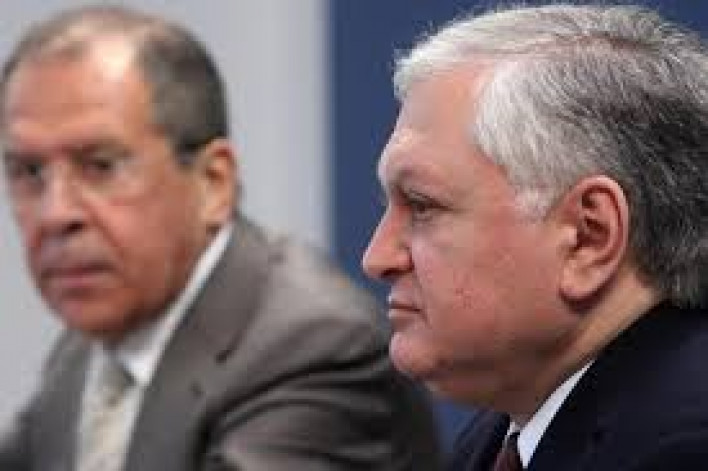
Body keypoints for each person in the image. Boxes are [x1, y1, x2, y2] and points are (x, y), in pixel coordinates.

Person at [0, 5, 442, 470]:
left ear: (213, 182)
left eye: (101, 166)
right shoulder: (88, 348)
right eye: (28, 172)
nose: (56, 213)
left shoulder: (313, 348)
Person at [363, 3, 708, 470]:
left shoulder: (682, 448)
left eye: (422, 206)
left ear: (588, 237)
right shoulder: (505, 431)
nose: (377, 258)